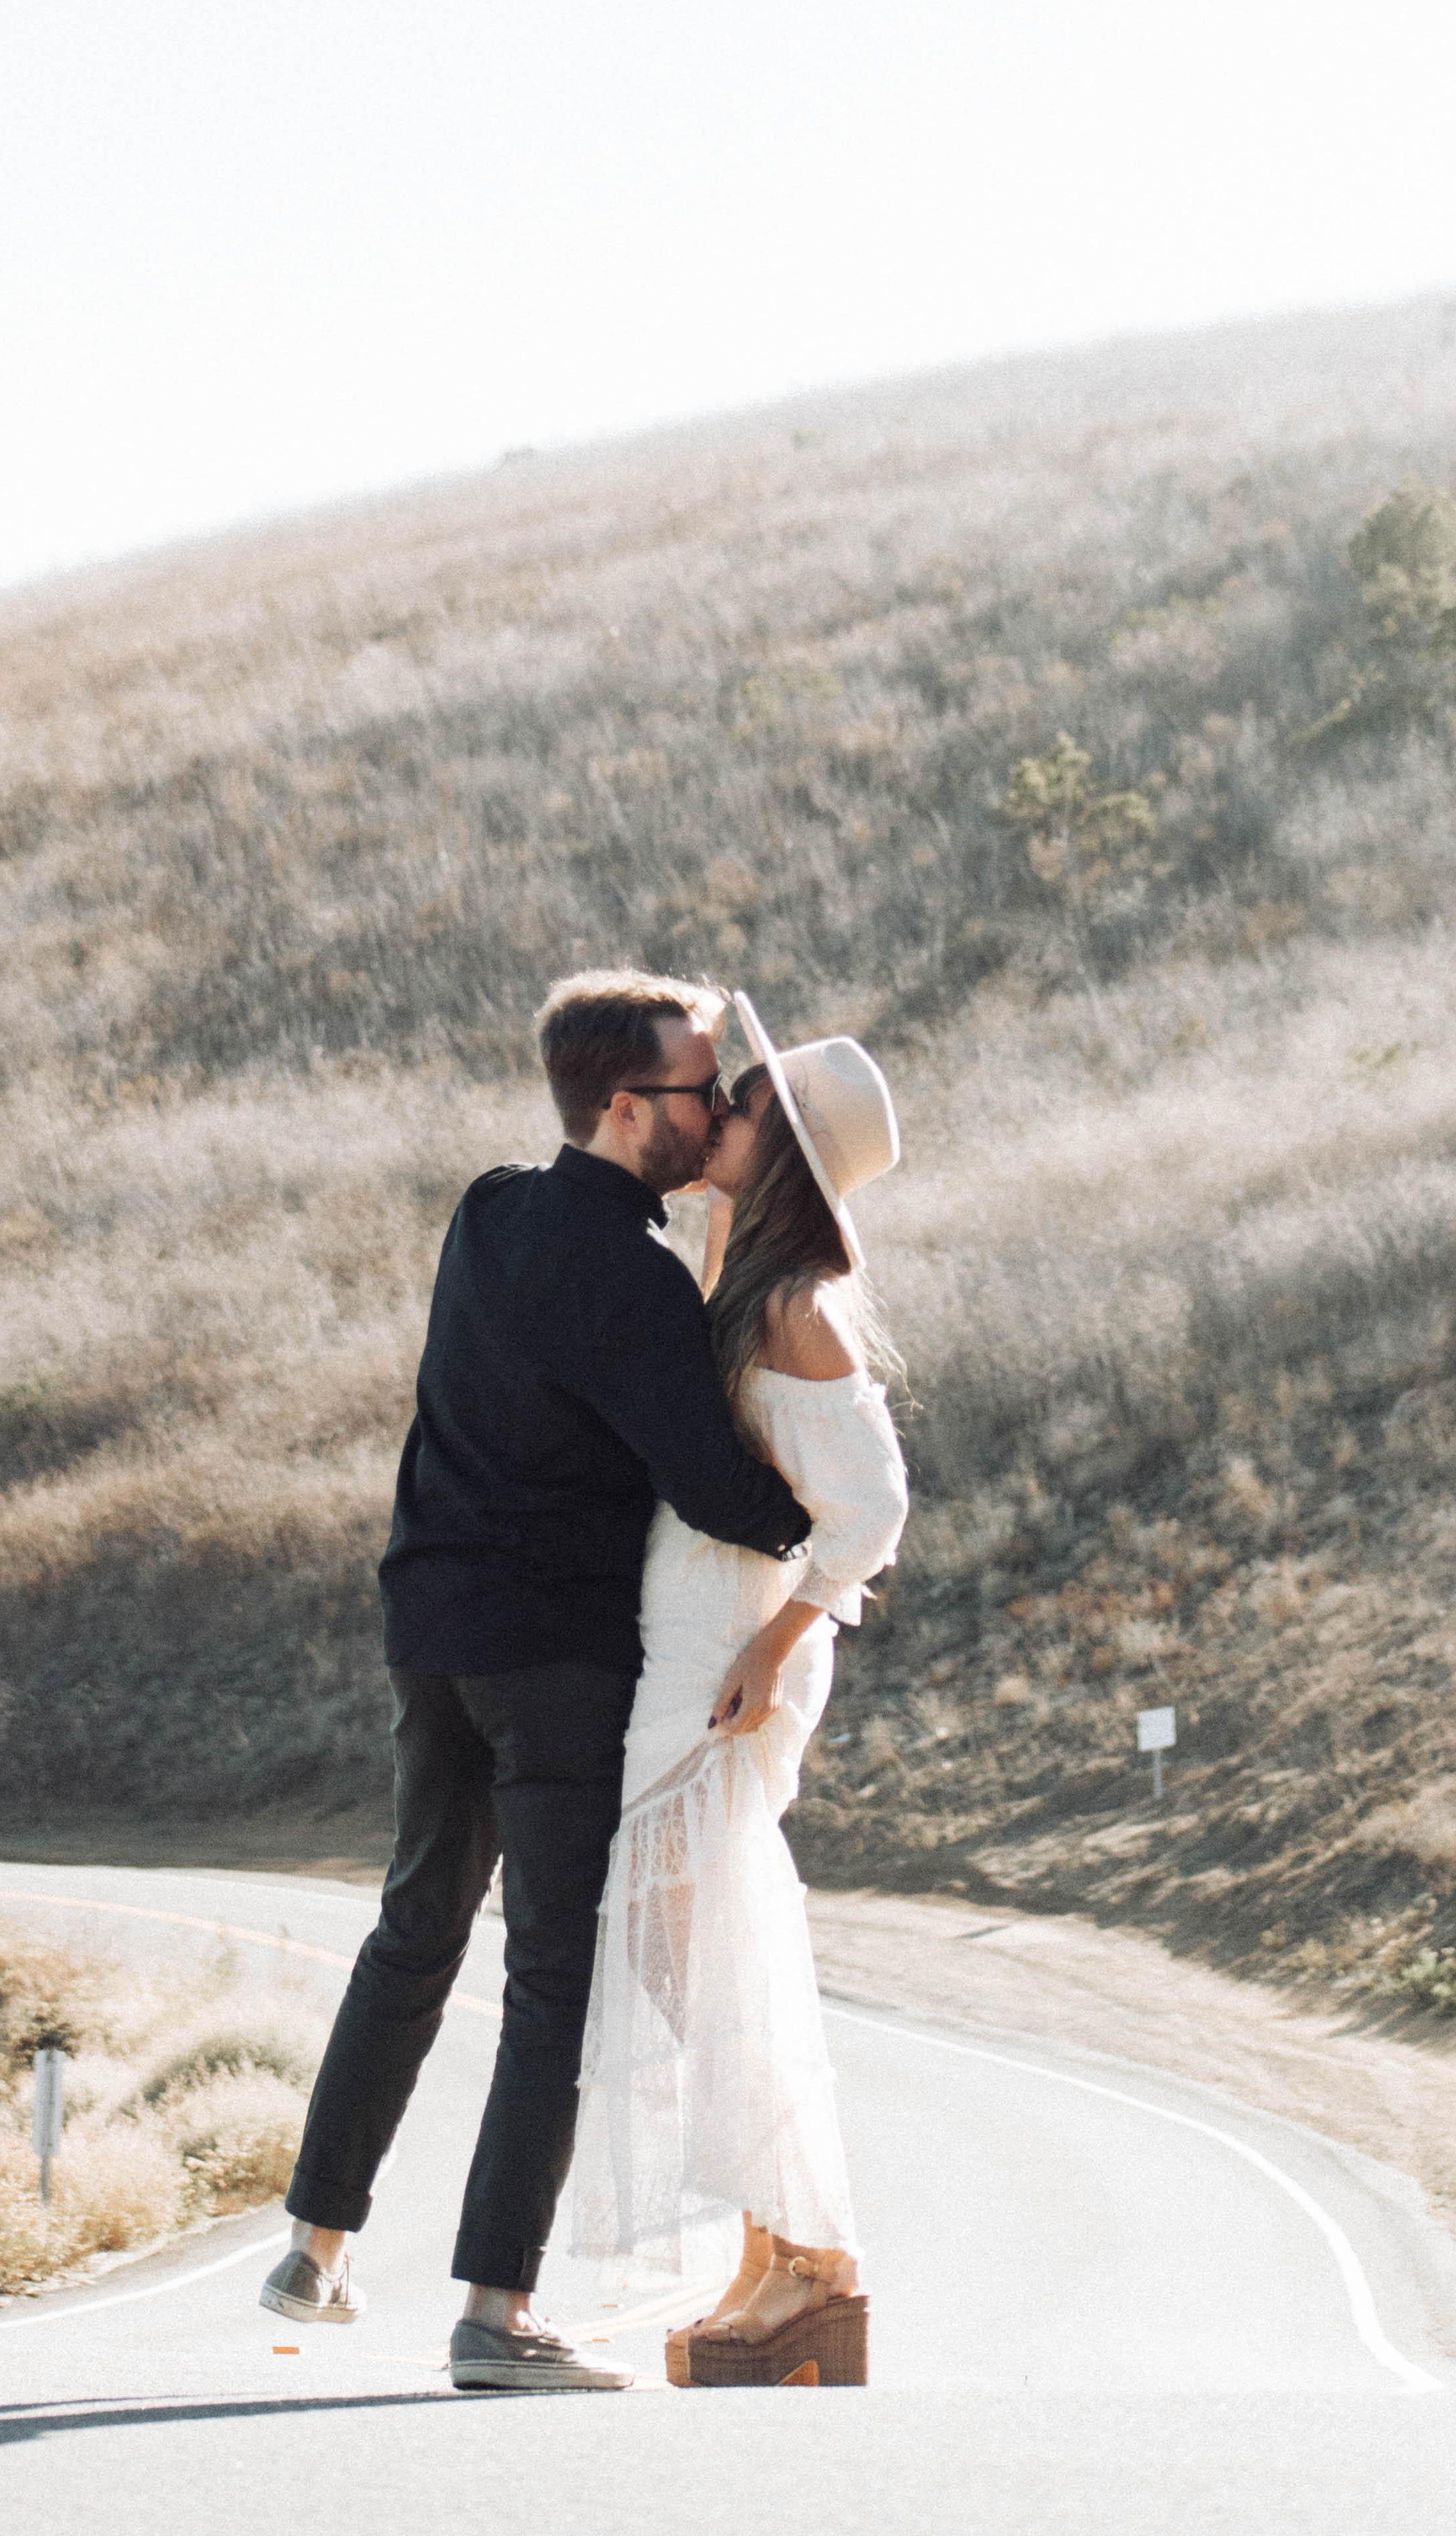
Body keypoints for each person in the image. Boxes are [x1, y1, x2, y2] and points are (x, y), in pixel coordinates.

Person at [261, 969, 815, 2395]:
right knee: (553, 1978)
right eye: (699, 1089)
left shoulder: (488, 1209)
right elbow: (712, 1484)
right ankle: (496, 2313)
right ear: (626, 1105)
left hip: (430, 1628)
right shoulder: (631, 1277)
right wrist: (819, 1528)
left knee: (414, 1931)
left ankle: (314, 2244)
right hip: (554, 1662)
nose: (716, 1109)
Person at [559, 990, 910, 2390]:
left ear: (787, 1152)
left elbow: (871, 1506)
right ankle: (776, 2256)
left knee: (712, 1958)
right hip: (694, 1641)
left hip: (730, 1657)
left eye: (743, 1102)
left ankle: (814, 2264)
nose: (719, 1109)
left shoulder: (792, 1304)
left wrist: (778, 1643)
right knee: (695, 1961)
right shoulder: (734, 1273)